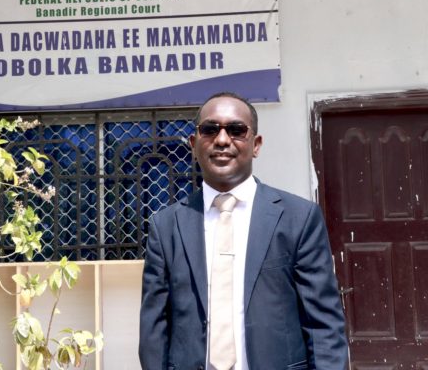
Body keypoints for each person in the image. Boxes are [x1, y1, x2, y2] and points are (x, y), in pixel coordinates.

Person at [138, 92, 348, 370]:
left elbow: (324, 325)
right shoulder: (165, 227)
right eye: (210, 130)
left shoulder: (298, 218)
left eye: (236, 130)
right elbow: (154, 329)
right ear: (193, 144)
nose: (222, 140)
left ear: (256, 144)